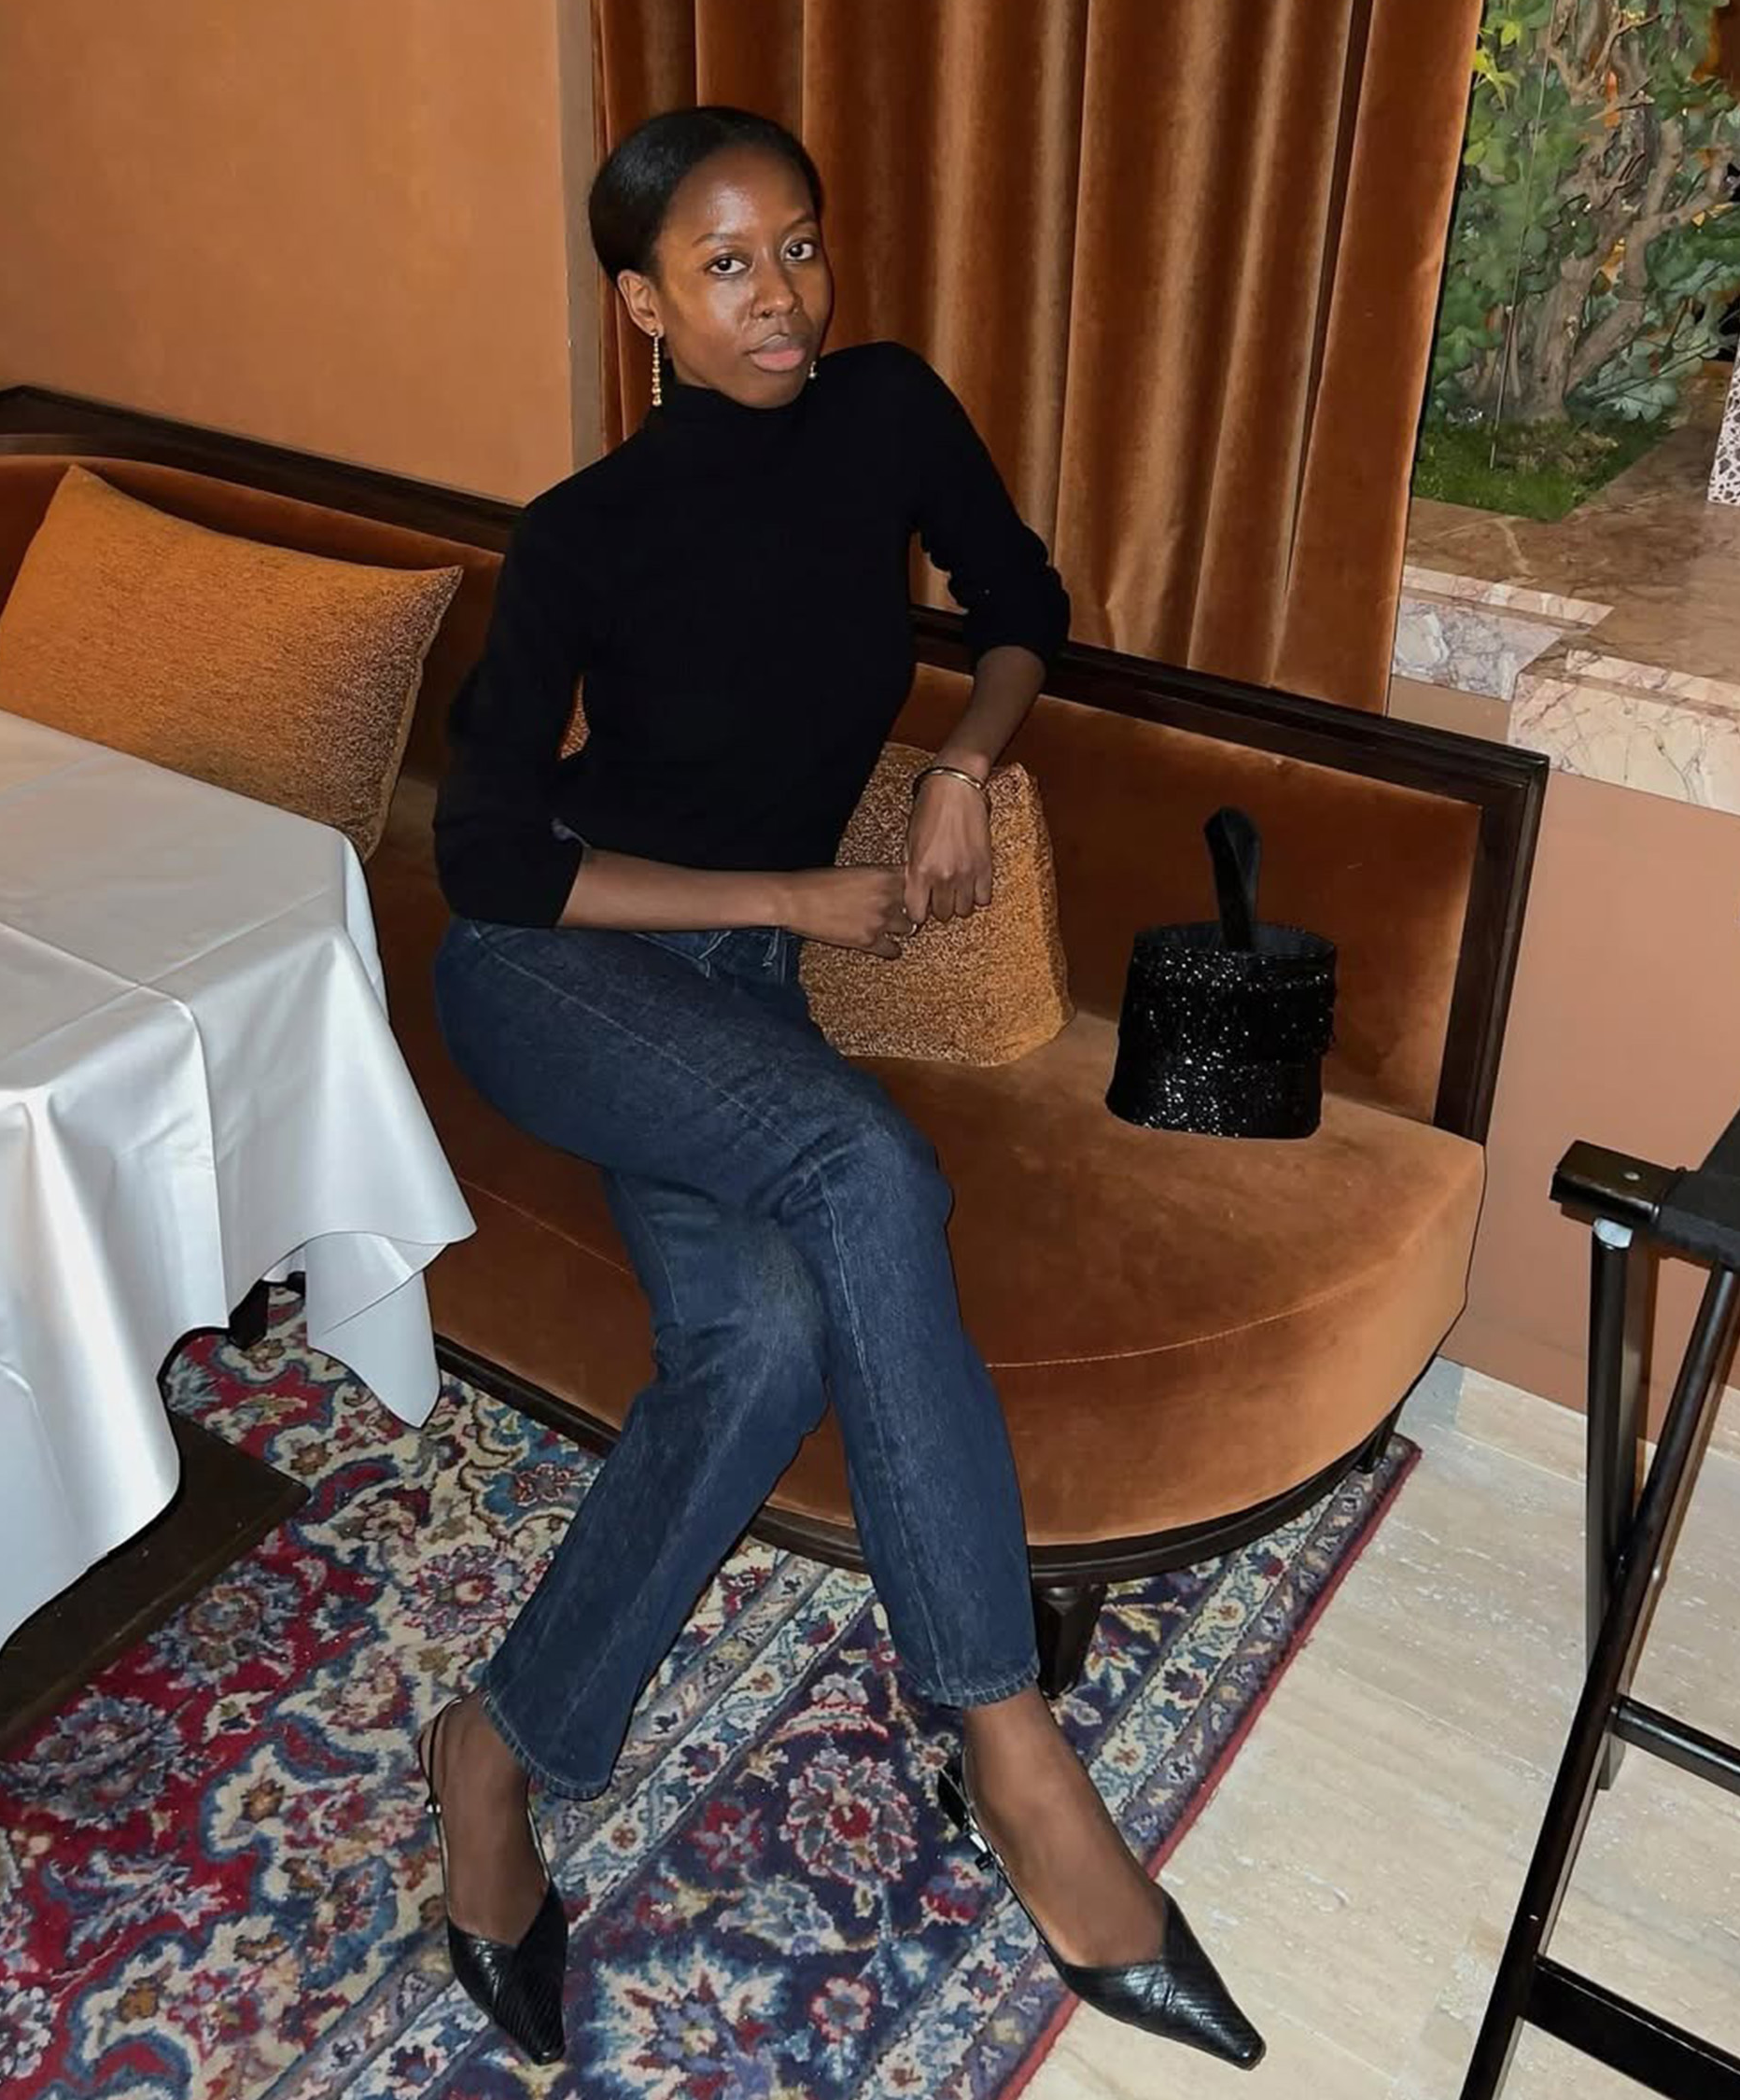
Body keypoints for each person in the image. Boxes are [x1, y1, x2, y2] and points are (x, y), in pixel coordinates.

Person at [419, 105, 1260, 2071]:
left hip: (723, 997)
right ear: (644, 305)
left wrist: (963, 761)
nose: (781, 295)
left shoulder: (884, 411)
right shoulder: (583, 532)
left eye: (796, 245)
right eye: (725, 266)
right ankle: (1011, 1751)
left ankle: (494, 1747)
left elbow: (1023, 603)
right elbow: (489, 860)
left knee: (773, 1333)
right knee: (867, 1166)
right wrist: (797, 894)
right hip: (557, 971)